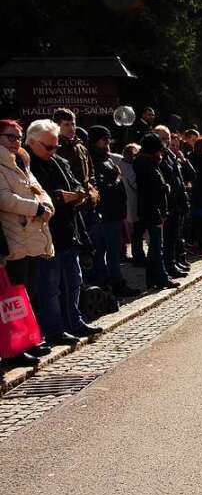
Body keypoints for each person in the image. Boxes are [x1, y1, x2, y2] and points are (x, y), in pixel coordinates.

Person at [26, 119, 102, 345]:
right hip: (47, 234)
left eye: (56, 146)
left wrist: (79, 193)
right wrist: (60, 196)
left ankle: (74, 321)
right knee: (51, 286)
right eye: (48, 147)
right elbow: (37, 196)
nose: (53, 151)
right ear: (32, 143)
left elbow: (77, 183)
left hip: (70, 230)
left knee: (74, 280)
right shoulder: (29, 166)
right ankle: (54, 329)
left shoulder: (59, 161)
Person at [0, 119, 55, 364]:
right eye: (10, 137)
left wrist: (47, 204)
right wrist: (36, 208)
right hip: (14, 236)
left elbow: (38, 188)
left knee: (27, 294)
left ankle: (28, 340)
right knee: (13, 298)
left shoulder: (22, 159)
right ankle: (14, 349)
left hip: (31, 235)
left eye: (18, 137)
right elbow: (4, 199)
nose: (16, 142)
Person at [87, 126, 138, 298]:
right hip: (105, 214)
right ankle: (108, 284)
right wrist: (116, 180)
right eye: (104, 140)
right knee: (104, 252)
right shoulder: (93, 160)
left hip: (115, 212)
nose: (107, 143)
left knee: (115, 251)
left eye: (108, 139)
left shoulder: (106, 158)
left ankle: (115, 282)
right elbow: (100, 187)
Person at [134, 133, 178, 290]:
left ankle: (152, 278)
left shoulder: (147, 164)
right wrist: (165, 188)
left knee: (155, 246)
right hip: (153, 211)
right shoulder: (147, 166)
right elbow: (152, 192)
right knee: (156, 247)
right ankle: (161, 278)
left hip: (152, 209)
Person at [153, 126, 189, 278]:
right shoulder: (157, 156)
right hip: (166, 204)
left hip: (177, 202)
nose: (166, 141)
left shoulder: (169, 155)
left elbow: (179, 177)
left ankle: (173, 262)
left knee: (174, 237)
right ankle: (168, 266)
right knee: (166, 240)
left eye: (167, 138)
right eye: (163, 138)